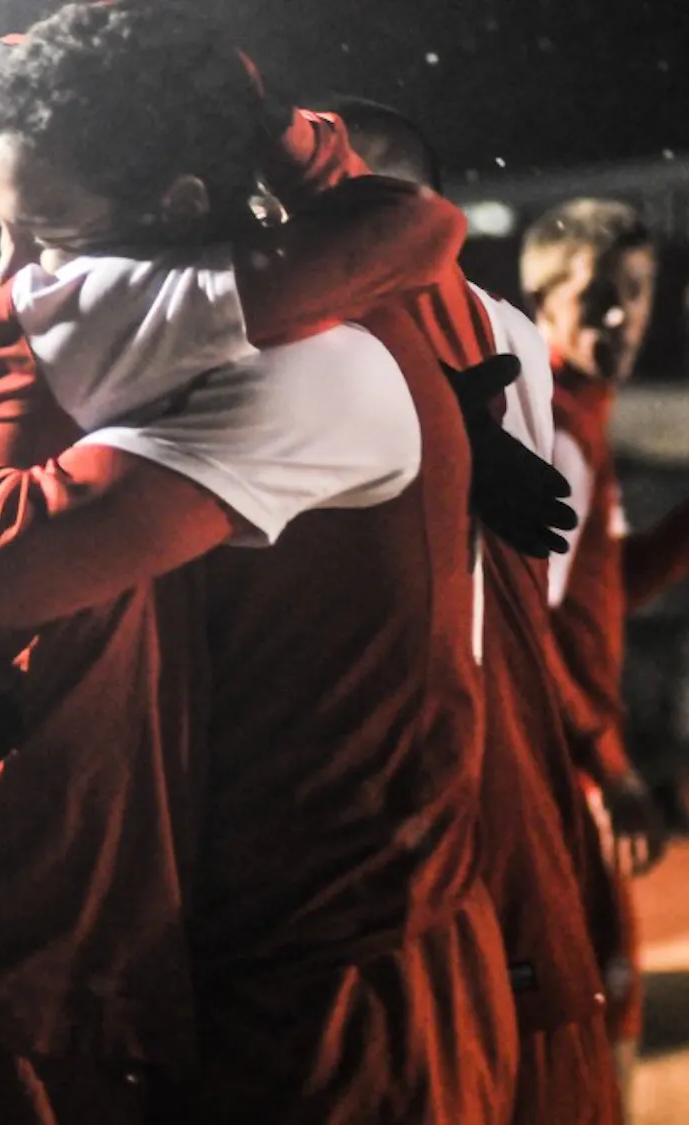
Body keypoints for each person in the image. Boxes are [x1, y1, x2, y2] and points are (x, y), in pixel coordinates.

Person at [0, 8, 559, 1122]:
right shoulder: (142, 339)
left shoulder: (302, 360)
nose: (14, 283)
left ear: (190, 202)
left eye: (44, 235)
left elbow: (14, 554)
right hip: (198, 967)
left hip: (339, 975)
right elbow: (3, 548)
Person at [319, 96, 622, 1125]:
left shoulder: (465, 342)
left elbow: (555, 606)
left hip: (457, 805)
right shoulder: (506, 347)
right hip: (484, 797)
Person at [524, 197, 689, 1120]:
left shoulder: (581, 414)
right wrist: (606, 766)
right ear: (542, 304)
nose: (620, 317)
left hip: (569, 758)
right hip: (560, 770)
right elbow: (527, 629)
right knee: (595, 1010)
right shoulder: (549, 427)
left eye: (635, 293)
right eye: (594, 298)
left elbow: (601, 596)